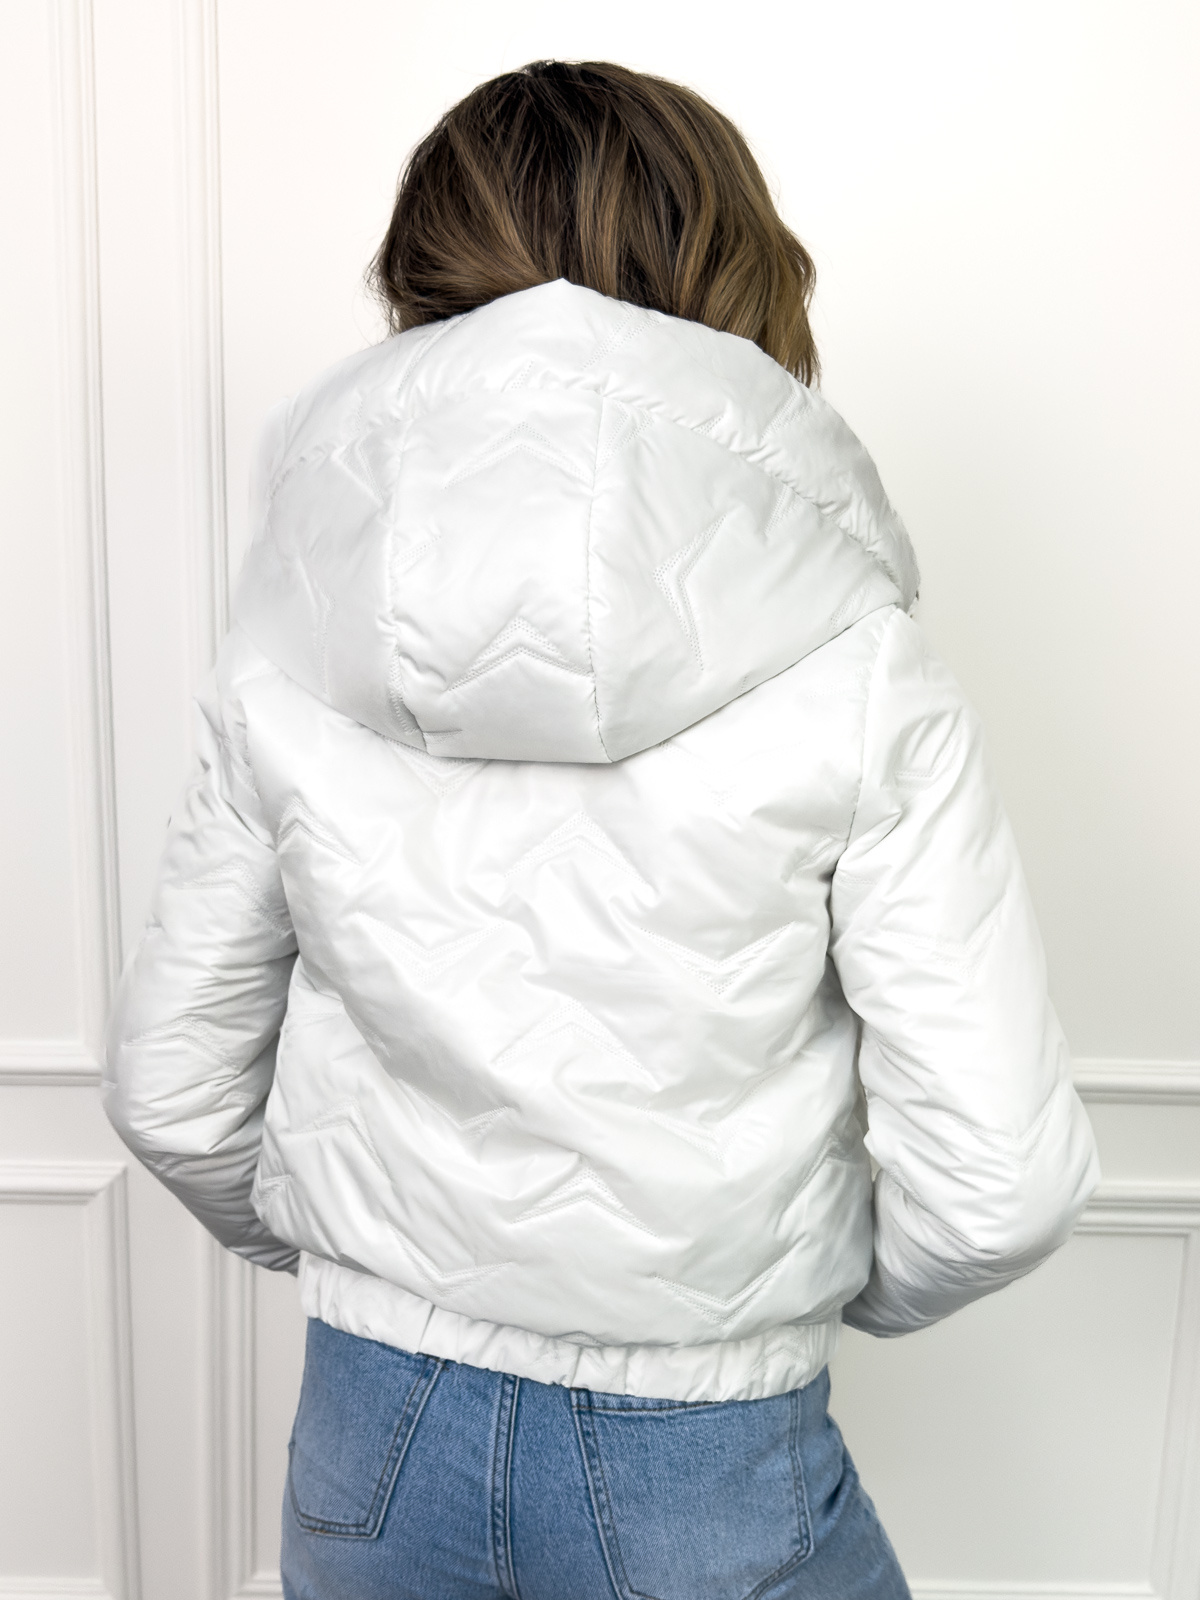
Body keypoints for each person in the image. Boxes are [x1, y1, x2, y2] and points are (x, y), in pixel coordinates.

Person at [104, 59, 1099, 1600]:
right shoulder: (859, 665)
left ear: (427, 266)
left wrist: (375, 1265)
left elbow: (173, 1095)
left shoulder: (285, 647)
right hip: (709, 1451)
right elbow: (999, 1186)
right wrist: (802, 1300)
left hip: (369, 1430)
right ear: (733, 257)